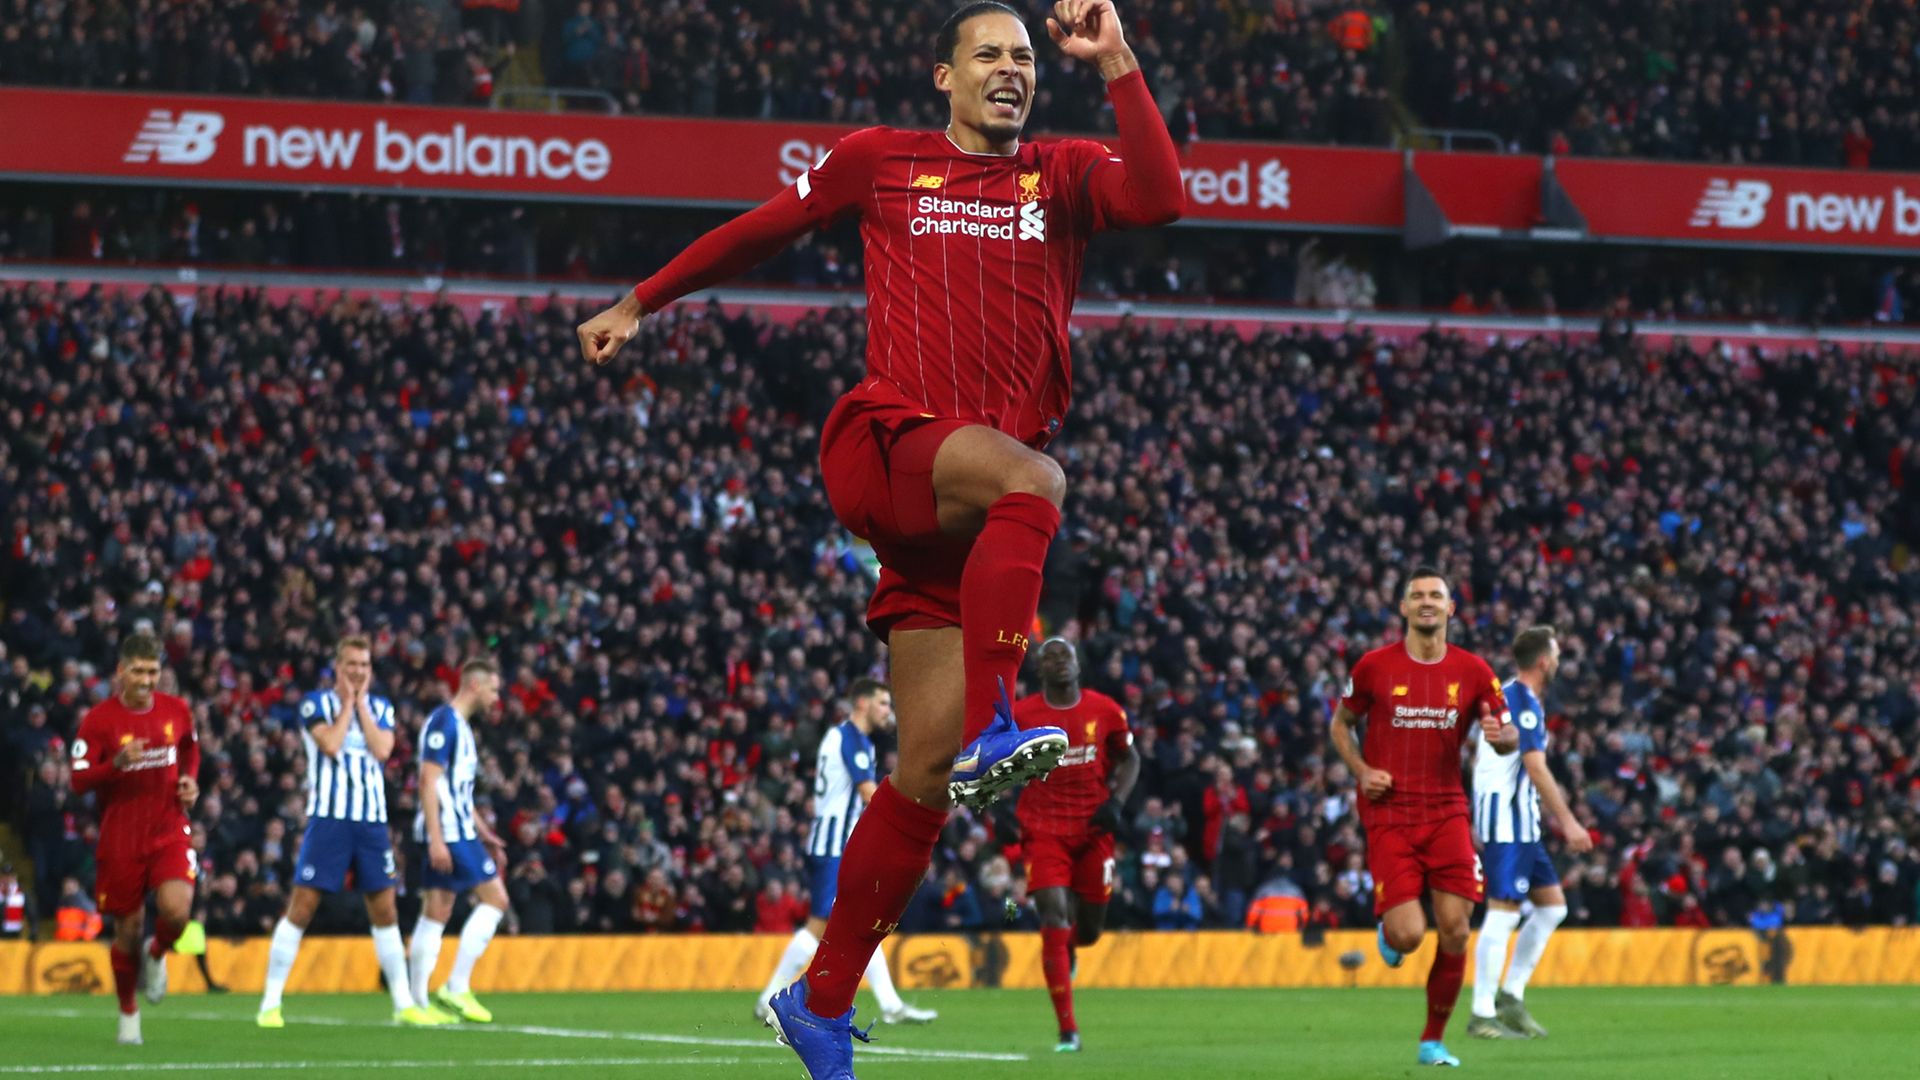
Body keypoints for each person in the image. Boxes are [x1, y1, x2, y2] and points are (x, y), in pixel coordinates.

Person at [574, 1, 1182, 1074]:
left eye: (1026, 58)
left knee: (922, 777)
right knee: (1037, 480)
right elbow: (758, 228)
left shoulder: (1064, 175)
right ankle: (1006, 720)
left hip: (963, 524)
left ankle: (819, 998)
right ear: (941, 78)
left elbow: (1163, 197)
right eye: (988, 55)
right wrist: (642, 299)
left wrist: (1122, 61)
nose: (1011, 71)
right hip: (894, 443)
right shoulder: (881, 161)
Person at [1329, 567, 1516, 1068]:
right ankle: (1390, 932)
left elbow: (1507, 730)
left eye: (1436, 595)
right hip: (1390, 811)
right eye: (1418, 596)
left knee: (1456, 929)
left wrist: (1503, 738)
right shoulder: (1373, 666)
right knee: (1410, 935)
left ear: (1451, 609)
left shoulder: (1475, 671)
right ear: (1404, 608)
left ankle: (1432, 1041)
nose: (1427, 602)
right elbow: (1340, 723)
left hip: (1447, 810)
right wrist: (1362, 770)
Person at [257, 636, 440, 1028]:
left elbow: (382, 750)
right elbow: (331, 743)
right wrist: (347, 706)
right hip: (329, 819)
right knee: (303, 906)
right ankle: (270, 1003)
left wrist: (360, 706)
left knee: (385, 909)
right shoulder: (315, 703)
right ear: (337, 668)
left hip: (372, 822)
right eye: (351, 664)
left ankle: (403, 1003)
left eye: (364, 665)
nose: (358, 671)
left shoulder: (381, 707)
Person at [755, 679, 936, 1025]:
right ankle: (770, 998)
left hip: (837, 842)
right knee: (821, 926)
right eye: (883, 703)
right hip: (835, 844)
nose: (888, 711)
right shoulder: (851, 739)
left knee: (859, 920)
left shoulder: (848, 738)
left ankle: (890, 1004)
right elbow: (869, 793)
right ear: (863, 704)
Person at [67, 631, 200, 1046]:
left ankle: (158, 953)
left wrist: (190, 781)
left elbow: (190, 750)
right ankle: (128, 1013)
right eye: (139, 671)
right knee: (127, 930)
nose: (147, 680)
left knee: (177, 912)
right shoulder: (98, 720)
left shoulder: (177, 709)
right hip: (122, 836)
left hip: (168, 827)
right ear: (121, 671)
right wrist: (115, 765)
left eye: (153, 671)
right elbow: (77, 780)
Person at [1468, 625, 1592, 1040]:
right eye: (1555, 654)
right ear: (1543, 661)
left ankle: (1510, 997)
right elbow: (1535, 766)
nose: (1557, 661)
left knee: (1553, 907)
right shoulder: (1520, 702)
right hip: (1508, 820)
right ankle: (1482, 1013)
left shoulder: (1512, 695)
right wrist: (1569, 821)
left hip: (1521, 820)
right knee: (1503, 912)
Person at [1013, 638, 1137, 1053]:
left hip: (1093, 831)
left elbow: (1130, 758)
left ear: (1078, 663)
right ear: (1039, 669)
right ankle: (1068, 1030)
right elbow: (994, 759)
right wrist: (993, 807)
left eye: (1065, 654)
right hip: (1043, 829)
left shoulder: (1105, 710)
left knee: (1089, 931)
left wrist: (1116, 802)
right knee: (1052, 909)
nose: (1059, 661)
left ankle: (1069, 949)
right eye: (1049, 657)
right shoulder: (1022, 714)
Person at [408, 657, 511, 1024]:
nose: (497, 697)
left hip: (458, 829)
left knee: (437, 910)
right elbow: (427, 780)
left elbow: (459, 793)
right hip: (448, 832)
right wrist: (437, 840)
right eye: (494, 689)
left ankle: (416, 1004)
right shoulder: (444, 722)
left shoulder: (462, 728)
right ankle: (456, 987)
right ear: (474, 686)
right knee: (496, 900)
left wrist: (485, 834)